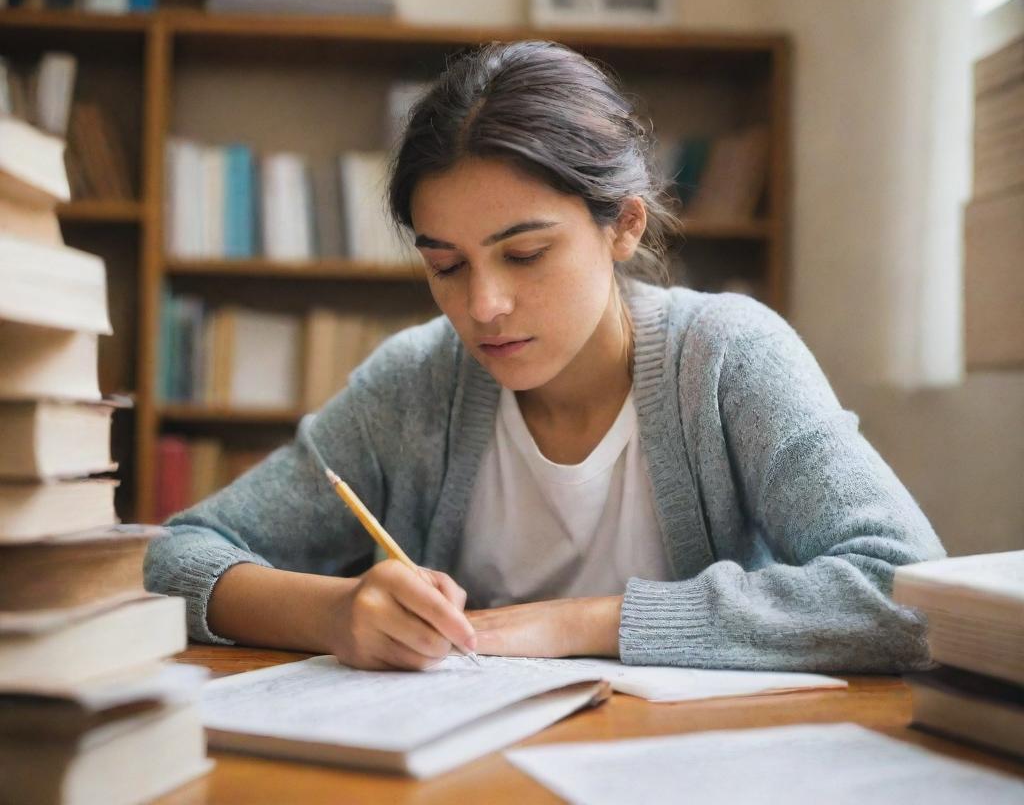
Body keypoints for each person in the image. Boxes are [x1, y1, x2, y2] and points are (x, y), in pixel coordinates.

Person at [145, 40, 944, 673]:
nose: (483, 306)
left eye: (525, 253)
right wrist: (334, 610)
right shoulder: (415, 384)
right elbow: (171, 557)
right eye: (446, 266)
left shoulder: (728, 359)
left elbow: (911, 593)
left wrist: (578, 623)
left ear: (624, 225)